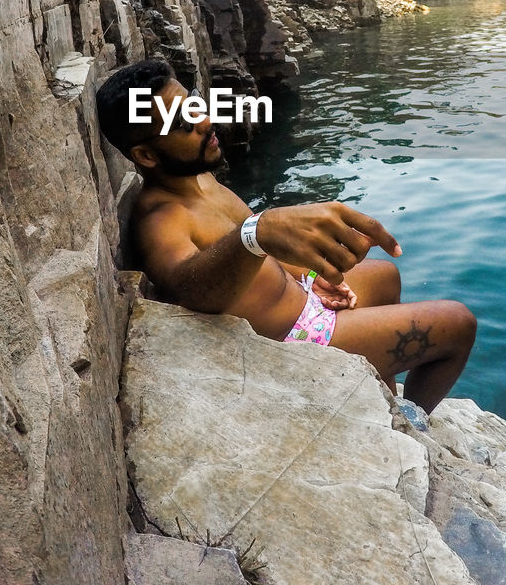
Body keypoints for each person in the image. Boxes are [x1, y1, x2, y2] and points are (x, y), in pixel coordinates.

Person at [95, 59, 476, 413]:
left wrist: (308, 276)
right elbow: (187, 286)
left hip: (301, 300)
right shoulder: (161, 218)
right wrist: (258, 231)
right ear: (146, 156)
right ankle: (413, 422)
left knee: (384, 274)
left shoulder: (198, 178)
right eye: (182, 123)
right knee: (458, 323)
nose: (205, 120)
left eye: (194, 103)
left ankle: (383, 399)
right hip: (293, 339)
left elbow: (256, 264)